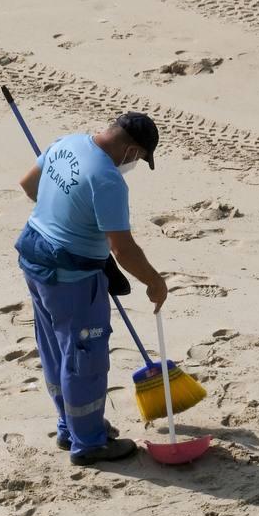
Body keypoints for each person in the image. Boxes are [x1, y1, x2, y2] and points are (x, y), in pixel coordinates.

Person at [16, 112, 168, 465]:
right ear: (131, 150)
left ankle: (70, 427)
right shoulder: (108, 179)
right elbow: (123, 249)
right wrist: (155, 282)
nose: (135, 165)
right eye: (140, 159)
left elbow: (29, 186)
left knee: (55, 348)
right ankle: (90, 444)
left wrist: (67, 214)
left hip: (34, 257)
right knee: (85, 357)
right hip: (72, 278)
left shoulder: (67, 142)